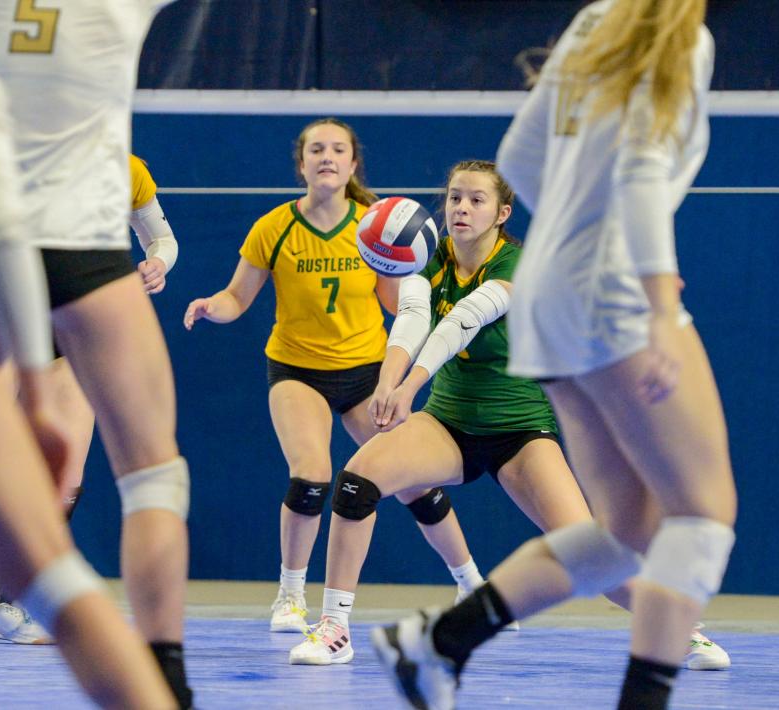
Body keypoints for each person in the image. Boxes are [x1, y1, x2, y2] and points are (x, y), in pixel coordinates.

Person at [373, 2, 737, 709]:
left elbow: (519, 158)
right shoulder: (681, 39)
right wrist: (658, 304)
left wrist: (573, 237)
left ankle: (440, 641)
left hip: (548, 290)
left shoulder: (596, 20)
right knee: (702, 513)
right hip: (614, 293)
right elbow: (639, 169)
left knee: (628, 532)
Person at [0, 4, 175, 706]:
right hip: (58, 252)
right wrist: (32, 378)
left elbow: (3, 217)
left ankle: (1, 601)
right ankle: (161, 680)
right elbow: (2, 218)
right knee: (146, 476)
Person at [184, 118, 491, 634]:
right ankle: (290, 596)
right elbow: (237, 296)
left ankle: (471, 584)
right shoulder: (274, 227)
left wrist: (438, 320)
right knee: (311, 475)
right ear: (301, 163)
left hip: (366, 372)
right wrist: (212, 306)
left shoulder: (376, 227)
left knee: (415, 481)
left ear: (353, 164)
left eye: (338, 150)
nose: (327, 157)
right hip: (297, 370)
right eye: (316, 149)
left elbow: (398, 307)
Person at [0, 153, 180, 645]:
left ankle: (8, 606)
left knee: (66, 473)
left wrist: (158, 262)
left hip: (73, 327)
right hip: (4, 316)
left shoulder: (128, 168)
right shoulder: (8, 155)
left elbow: (162, 237)